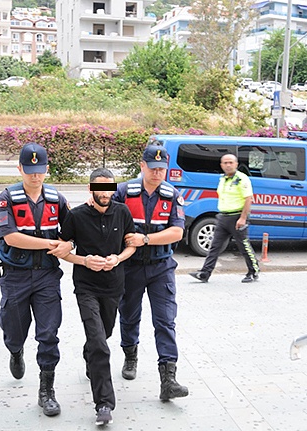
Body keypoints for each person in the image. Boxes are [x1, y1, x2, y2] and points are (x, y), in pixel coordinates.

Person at [0, 142, 73, 417]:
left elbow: (71, 230)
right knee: (14, 330)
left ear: (47, 170)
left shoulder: (57, 198)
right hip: (15, 276)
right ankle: (15, 351)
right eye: (29, 171)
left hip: (47, 277)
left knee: (48, 334)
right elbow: (11, 237)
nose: (35, 176)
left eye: (39, 171)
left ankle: (46, 390)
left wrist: (69, 244)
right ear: (20, 169)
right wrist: (51, 244)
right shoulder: (7, 198)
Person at [112, 144, 189, 402]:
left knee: (165, 321)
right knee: (129, 315)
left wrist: (145, 239)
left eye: (162, 169)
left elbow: (177, 232)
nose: (158, 173)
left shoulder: (172, 194)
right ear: (142, 166)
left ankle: (168, 379)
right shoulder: (123, 191)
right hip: (130, 267)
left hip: (161, 267)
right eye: (153, 168)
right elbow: (100, 198)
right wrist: (93, 194)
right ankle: (130, 355)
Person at [60, 168, 136, 426]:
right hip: (86, 287)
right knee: (100, 343)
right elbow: (62, 250)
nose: (104, 193)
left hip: (114, 285)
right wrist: (84, 260)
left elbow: (131, 245)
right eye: (99, 188)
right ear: (90, 189)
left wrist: (118, 258)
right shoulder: (76, 216)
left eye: (109, 188)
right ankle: (104, 403)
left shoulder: (123, 211)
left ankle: (89, 355)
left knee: (105, 334)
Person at [189, 153, 260, 283]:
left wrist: (243, 218)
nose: (228, 165)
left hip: (237, 216)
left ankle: (253, 271)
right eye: (225, 163)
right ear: (221, 165)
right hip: (223, 217)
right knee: (214, 247)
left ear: (236, 164)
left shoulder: (241, 178)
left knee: (244, 246)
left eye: (231, 162)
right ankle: (205, 273)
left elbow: (248, 199)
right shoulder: (222, 179)